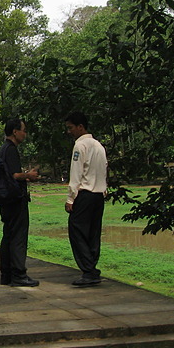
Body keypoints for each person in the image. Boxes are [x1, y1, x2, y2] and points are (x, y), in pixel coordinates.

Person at [65, 112, 108, 287]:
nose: (69, 131)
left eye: (71, 128)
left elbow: (76, 173)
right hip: (98, 194)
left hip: (85, 194)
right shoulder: (99, 146)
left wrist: (70, 198)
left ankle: (88, 269)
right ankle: (92, 267)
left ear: (80, 127)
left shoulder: (80, 146)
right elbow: (104, 169)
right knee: (93, 232)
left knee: (77, 231)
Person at [0, 118, 39, 287]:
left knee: (8, 235)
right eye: (23, 130)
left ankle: (6, 274)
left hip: (5, 199)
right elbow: (14, 175)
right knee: (18, 237)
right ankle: (19, 274)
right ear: (15, 131)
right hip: (15, 199)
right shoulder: (11, 149)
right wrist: (28, 175)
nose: (25, 134)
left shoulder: (2, 150)